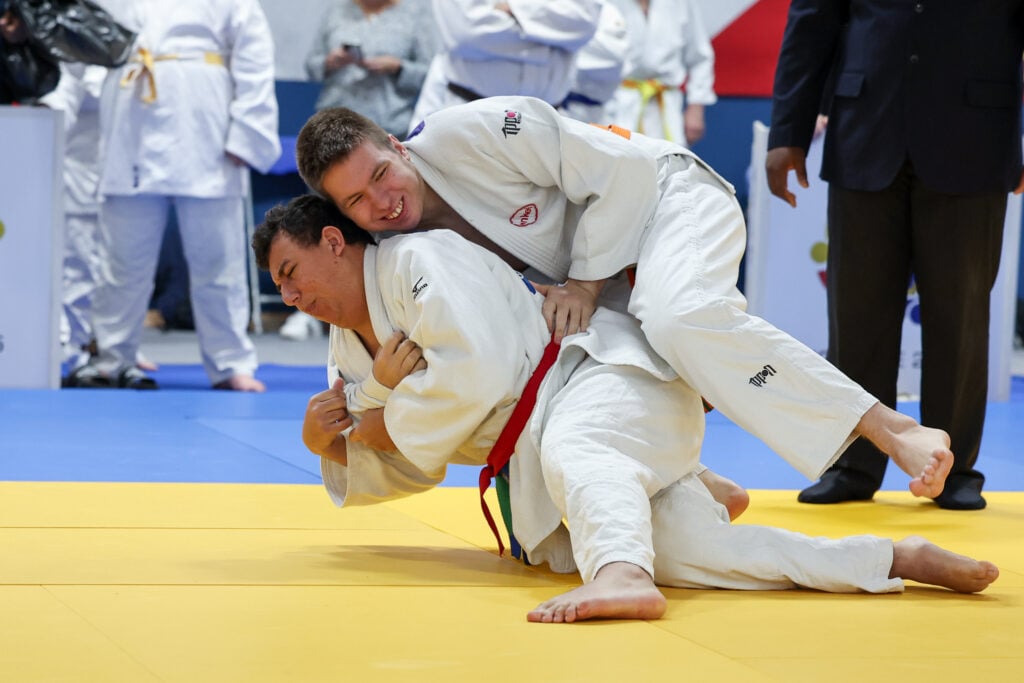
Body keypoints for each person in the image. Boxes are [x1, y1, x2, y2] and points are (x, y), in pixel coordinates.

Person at [251, 195, 998, 623]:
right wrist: (329, 442)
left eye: (291, 272)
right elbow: (414, 463)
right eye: (279, 287)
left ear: (332, 241)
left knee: (581, 455)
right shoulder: (347, 352)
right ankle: (891, 558)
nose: (289, 295)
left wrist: (373, 409)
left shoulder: (417, 262)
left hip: (595, 378)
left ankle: (623, 570)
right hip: (542, 445)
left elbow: (473, 381)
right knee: (694, 557)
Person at [295, 97, 955, 504]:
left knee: (680, 318)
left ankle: (890, 428)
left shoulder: (476, 130)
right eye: (357, 199)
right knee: (561, 388)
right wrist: (349, 418)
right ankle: (691, 488)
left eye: (382, 174)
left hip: (665, 203)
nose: (382, 201)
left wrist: (584, 284)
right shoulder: (395, 252)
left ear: (398, 147)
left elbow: (626, 169)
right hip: (609, 282)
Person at [765, 0, 1024, 510]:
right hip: (864, 127)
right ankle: (852, 464)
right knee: (855, 318)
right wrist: (787, 133)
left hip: (976, 137)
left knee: (961, 317)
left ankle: (953, 469)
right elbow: (812, 24)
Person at [68, 0, 281, 391]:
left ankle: (230, 362)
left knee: (218, 259)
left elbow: (253, 56)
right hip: (131, 113)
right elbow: (87, 36)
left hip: (203, 117)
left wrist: (247, 130)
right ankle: (113, 356)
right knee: (122, 259)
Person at [279, 0, 437, 343]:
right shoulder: (337, 12)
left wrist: (396, 67)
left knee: (392, 226)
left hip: (384, 127)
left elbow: (433, 72)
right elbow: (311, 67)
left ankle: (399, 308)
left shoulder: (415, 15)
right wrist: (331, 61)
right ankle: (309, 310)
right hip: (329, 141)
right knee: (324, 229)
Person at [407, 0, 601, 129]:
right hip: (473, 116)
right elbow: (467, 32)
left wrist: (513, 9)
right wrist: (551, 44)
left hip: (548, 121)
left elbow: (584, 21)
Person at [603, 0, 715, 146]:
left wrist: (696, 108)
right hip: (615, 103)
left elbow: (700, 58)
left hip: (665, 104)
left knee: (667, 157)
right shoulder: (604, 3)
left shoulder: (681, 3)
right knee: (615, 155)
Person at [557, 0, 629, 126]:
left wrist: (559, 39)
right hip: (550, 107)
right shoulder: (551, 6)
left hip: (590, 111)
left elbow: (615, 55)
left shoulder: (607, 11)